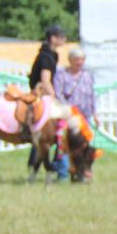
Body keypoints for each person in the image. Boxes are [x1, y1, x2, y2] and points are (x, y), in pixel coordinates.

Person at [51, 49, 97, 182]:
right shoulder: (61, 75)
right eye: (77, 59)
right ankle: (63, 173)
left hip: (85, 116)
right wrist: (67, 110)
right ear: (70, 60)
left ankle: (81, 172)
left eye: (82, 59)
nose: (80, 62)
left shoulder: (87, 76)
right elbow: (58, 94)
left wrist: (95, 113)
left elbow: (92, 96)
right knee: (65, 144)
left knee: (83, 146)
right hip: (69, 115)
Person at [30, 25, 64, 95]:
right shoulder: (46, 57)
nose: (64, 39)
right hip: (41, 94)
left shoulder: (51, 55)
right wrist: (54, 97)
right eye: (61, 36)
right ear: (53, 38)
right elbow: (45, 81)